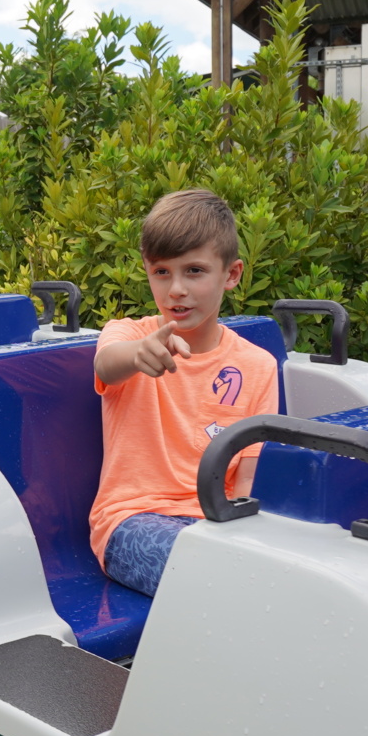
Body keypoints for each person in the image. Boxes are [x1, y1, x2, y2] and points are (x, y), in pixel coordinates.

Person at [89, 190, 282, 595]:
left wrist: (250, 541)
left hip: (218, 523)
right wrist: (139, 354)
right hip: (131, 520)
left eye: (194, 271)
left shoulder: (258, 366)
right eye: (161, 272)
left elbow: (248, 479)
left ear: (231, 274)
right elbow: (107, 363)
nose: (176, 289)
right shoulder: (129, 335)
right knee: (216, 577)